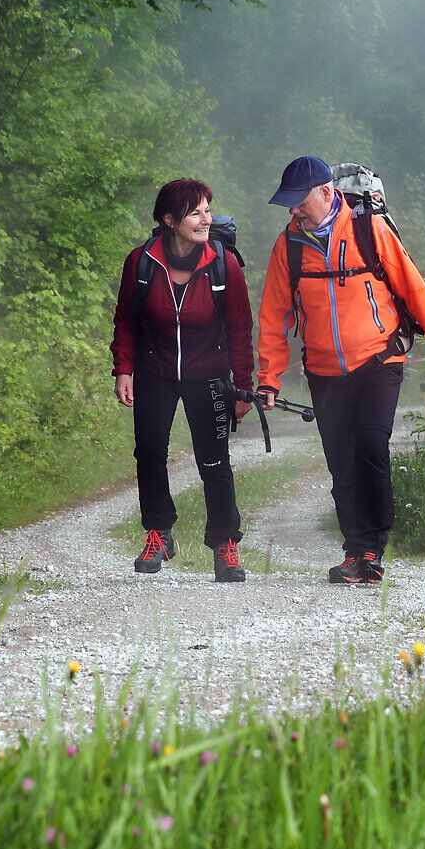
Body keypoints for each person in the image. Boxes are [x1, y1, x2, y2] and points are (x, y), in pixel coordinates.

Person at [255, 156, 425, 585]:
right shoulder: (288, 245)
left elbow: (415, 289)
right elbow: (273, 315)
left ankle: (372, 549)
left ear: (326, 193)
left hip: (379, 360)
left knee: (370, 443)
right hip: (324, 371)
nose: (293, 210)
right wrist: (269, 376)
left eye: (299, 201)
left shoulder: (371, 230)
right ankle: (356, 550)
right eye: (288, 203)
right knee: (342, 462)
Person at [111, 178, 255, 583]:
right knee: (151, 454)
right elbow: (126, 319)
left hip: (208, 372)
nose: (205, 218)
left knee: (214, 461)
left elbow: (241, 330)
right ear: (170, 220)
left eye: (208, 209)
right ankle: (159, 533)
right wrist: (124, 369)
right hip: (154, 371)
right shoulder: (140, 263)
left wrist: (243, 385)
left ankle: (225, 543)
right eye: (195, 212)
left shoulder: (225, 266)